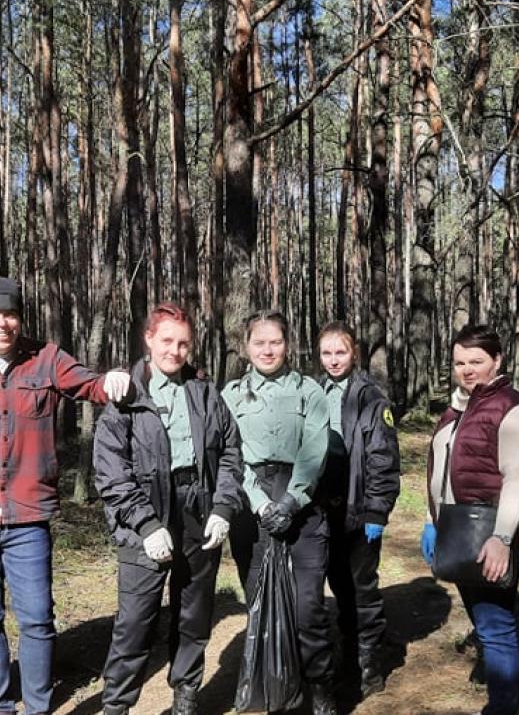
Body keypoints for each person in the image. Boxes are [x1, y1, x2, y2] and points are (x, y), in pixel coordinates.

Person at [0, 277, 130, 715]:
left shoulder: (47, 358)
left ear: (20, 318)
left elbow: (90, 386)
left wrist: (113, 380)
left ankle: (38, 707)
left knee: (37, 619)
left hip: (27, 518)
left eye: (10, 314)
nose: (2, 323)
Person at [93, 302, 244, 715]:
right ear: (148, 340)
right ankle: (117, 706)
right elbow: (111, 473)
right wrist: (145, 524)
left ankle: (185, 694)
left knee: (194, 613)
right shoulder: (126, 395)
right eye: (167, 342)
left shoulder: (204, 391)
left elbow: (231, 451)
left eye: (183, 344)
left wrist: (224, 507)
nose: (175, 352)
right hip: (146, 516)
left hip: (198, 509)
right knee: (135, 622)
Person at [421, 324, 519, 715]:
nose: (467, 369)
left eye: (476, 361)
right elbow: (441, 471)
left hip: (491, 533)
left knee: (494, 624)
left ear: (497, 360)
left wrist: (502, 539)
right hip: (457, 529)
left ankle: (505, 707)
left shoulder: (512, 409)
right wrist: (430, 521)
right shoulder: (459, 407)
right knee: (483, 618)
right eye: (459, 362)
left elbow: (517, 480)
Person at [222, 310, 337, 715]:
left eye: (276, 342)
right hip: (251, 509)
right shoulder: (230, 395)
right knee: (260, 605)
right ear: (246, 346)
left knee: (307, 607)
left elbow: (315, 449)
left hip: (302, 508)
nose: (268, 350)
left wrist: (291, 500)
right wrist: (260, 504)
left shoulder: (310, 392)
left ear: (288, 345)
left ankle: (320, 688)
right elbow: (229, 457)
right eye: (259, 342)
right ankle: (273, 692)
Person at [315, 322, 401, 700]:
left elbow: (383, 460)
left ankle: (369, 664)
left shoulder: (371, 399)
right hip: (321, 511)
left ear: (355, 354)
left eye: (341, 352)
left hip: (358, 509)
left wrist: (376, 512)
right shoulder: (312, 392)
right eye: (327, 353)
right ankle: (347, 651)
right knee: (337, 584)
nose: (334, 360)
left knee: (361, 587)